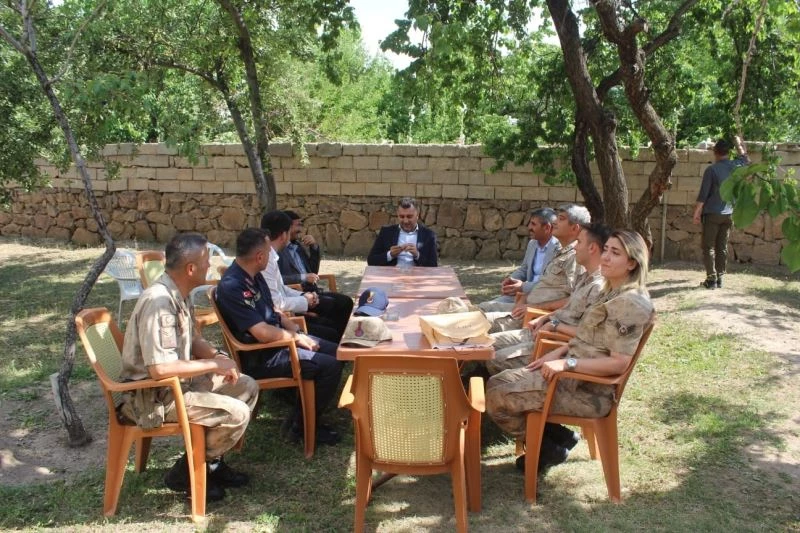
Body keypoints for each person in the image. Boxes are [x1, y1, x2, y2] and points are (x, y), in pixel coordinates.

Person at [486, 229, 654, 472]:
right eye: (606, 249)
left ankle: (547, 446)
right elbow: (589, 337)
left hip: (588, 389)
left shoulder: (631, 303)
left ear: (632, 262)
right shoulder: (610, 292)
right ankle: (553, 439)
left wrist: (566, 364)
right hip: (570, 375)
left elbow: (619, 363)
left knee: (497, 395)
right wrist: (560, 352)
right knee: (496, 382)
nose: (605, 257)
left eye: (615, 253)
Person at [119, 232, 259, 502]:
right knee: (237, 413)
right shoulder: (159, 303)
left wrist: (218, 359)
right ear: (191, 268)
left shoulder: (180, 293)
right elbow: (160, 370)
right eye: (207, 260)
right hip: (154, 397)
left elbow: (193, 339)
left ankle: (211, 465)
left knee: (246, 386)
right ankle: (186, 474)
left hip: (179, 385)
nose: (211, 265)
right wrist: (212, 364)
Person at [214, 228, 343, 445]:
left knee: (338, 353)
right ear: (259, 256)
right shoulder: (233, 286)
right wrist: (295, 337)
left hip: (280, 343)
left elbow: (273, 310)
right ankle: (300, 428)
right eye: (269, 252)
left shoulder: (253, 274)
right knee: (329, 365)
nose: (274, 256)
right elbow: (261, 333)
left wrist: (294, 328)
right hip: (263, 356)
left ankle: (304, 411)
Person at [486, 223, 611, 375]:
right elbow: (568, 308)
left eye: (579, 242)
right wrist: (545, 318)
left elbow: (588, 335)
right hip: (542, 328)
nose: (575, 247)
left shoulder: (598, 287)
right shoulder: (586, 278)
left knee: (491, 355)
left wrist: (553, 324)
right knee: (486, 344)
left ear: (592, 248)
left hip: (555, 342)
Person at [484, 204, 590, 330]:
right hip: (524, 306)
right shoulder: (561, 252)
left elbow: (573, 300)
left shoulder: (576, 257)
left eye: (561, 218)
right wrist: (523, 298)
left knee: (477, 320)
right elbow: (540, 283)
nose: (555, 221)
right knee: (480, 309)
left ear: (574, 228)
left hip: (534, 316)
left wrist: (534, 307)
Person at [260, 211, 345, 343]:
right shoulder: (267, 259)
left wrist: (304, 296)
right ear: (284, 235)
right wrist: (304, 300)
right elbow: (276, 302)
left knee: (341, 304)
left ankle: (343, 341)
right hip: (284, 315)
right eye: (295, 227)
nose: (300, 231)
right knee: (332, 327)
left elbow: (282, 287)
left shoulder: (287, 249)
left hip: (301, 295)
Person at [278, 210, 354, 335]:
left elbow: (313, 271)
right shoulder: (278, 252)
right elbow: (281, 279)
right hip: (298, 293)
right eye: (298, 225)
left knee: (346, 302)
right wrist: (302, 278)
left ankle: (342, 337)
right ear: (288, 227)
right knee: (333, 305)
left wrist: (314, 248)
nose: (301, 229)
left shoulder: (297, 246)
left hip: (313, 291)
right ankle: (337, 337)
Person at [693, 136, 749, 289]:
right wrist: (738, 142)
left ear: (715, 152)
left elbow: (703, 195)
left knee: (708, 246)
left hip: (712, 214)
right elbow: (746, 158)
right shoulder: (736, 165)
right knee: (722, 246)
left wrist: (696, 213)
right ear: (728, 152)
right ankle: (720, 278)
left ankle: (711, 280)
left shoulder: (711, 170)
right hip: (729, 213)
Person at [479, 207, 560, 312]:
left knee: (487, 308)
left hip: (541, 299)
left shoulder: (559, 249)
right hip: (524, 295)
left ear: (547, 228)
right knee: (485, 306)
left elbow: (549, 283)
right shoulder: (532, 244)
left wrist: (523, 286)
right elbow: (524, 269)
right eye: (530, 223)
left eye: (533, 224)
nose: (529, 227)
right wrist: (510, 280)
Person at [367, 197, 438, 267]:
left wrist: (417, 255)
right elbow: (371, 260)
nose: (405, 221)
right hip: (391, 276)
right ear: (397, 215)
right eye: (401, 216)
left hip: (417, 276)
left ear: (417, 216)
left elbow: (433, 265)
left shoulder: (429, 235)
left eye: (409, 216)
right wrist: (390, 255)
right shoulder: (386, 232)